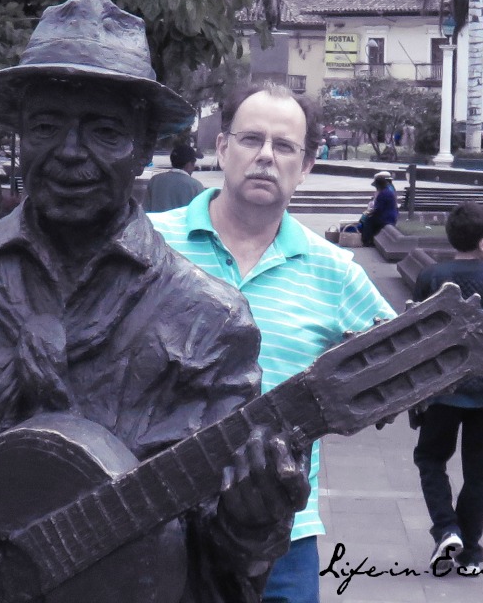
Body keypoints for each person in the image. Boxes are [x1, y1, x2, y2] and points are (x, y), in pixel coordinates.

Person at [0, 0, 310, 603]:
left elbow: (215, 568)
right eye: (46, 126)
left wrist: (252, 520)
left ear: (143, 147)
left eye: (104, 131)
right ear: (19, 140)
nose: (70, 152)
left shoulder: (207, 322)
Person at [149, 82, 396, 603]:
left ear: (305, 166)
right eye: (251, 139)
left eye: (284, 146)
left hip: (282, 535)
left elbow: (395, 358)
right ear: (222, 150)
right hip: (154, 522)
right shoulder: (148, 244)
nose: (266, 156)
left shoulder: (335, 273)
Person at [410, 202, 483, 575]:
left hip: (440, 392)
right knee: (479, 472)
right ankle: (471, 552)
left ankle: (447, 529)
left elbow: (415, 340)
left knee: (431, 460)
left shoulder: (431, 277)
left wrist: (416, 397)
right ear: (482, 243)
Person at [143, 142, 204, 212]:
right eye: (194, 163)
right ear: (189, 164)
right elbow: (200, 214)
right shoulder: (196, 186)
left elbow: (145, 211)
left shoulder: (154, 181)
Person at [358, 170, 398, 247]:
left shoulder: (384, 193)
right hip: (388, 214)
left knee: (368, 220)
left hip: (387, 217)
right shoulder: (387, 190)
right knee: (367, 218)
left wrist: (369, 213)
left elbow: (378, 209)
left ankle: (367, 240)